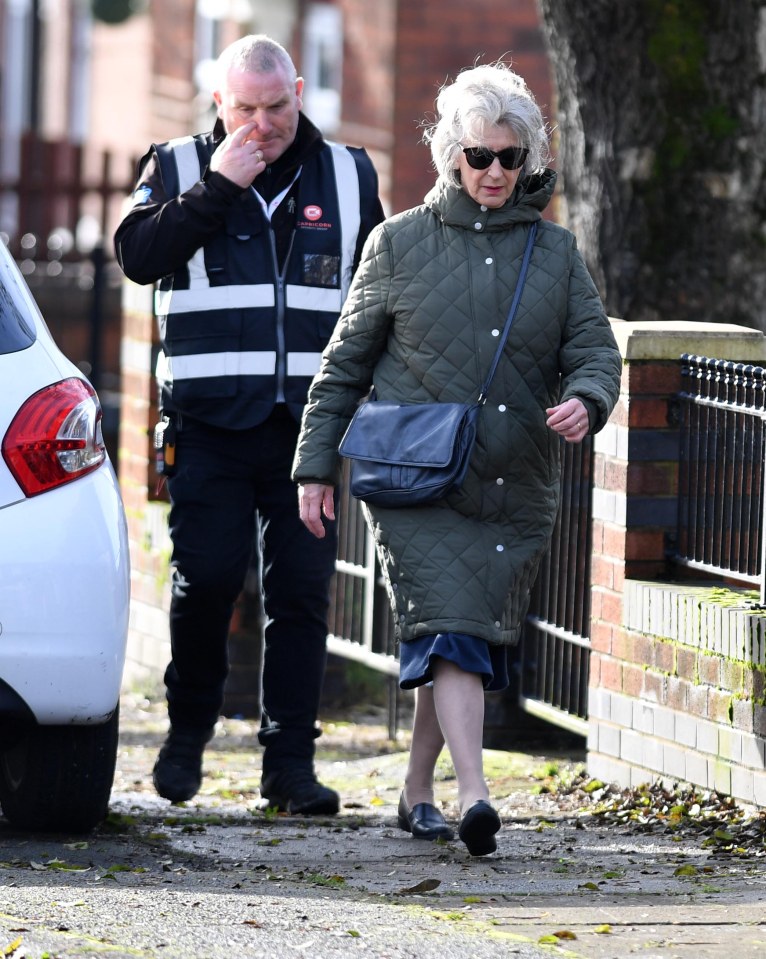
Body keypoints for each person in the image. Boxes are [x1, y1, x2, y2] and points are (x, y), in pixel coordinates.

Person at [292, 62, 622, 854]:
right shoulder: (397, 243)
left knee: (456, 638)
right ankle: (476, 791)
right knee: (454, 630)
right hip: (418, 481)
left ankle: (415, 790)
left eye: (512, 158)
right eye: (480, 157)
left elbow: (595, 350)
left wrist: (588, 398)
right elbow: (344, 364)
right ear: (450, 155)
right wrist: (313, 465)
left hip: (513, 480)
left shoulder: (556, 254)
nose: (496, 173)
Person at [114, 34, 385, 813]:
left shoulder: (346, 172)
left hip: (307, 429)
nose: (263, 125)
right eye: (246, 111)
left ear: (298, 91)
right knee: (205, 585)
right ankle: (187, 732)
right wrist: (218, 188)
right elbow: (136, 253)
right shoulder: (173, 168)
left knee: (301, 594)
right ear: (218, 104)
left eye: (277, 107)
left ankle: (289, 766)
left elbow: (378, 292)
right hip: (207, 426)